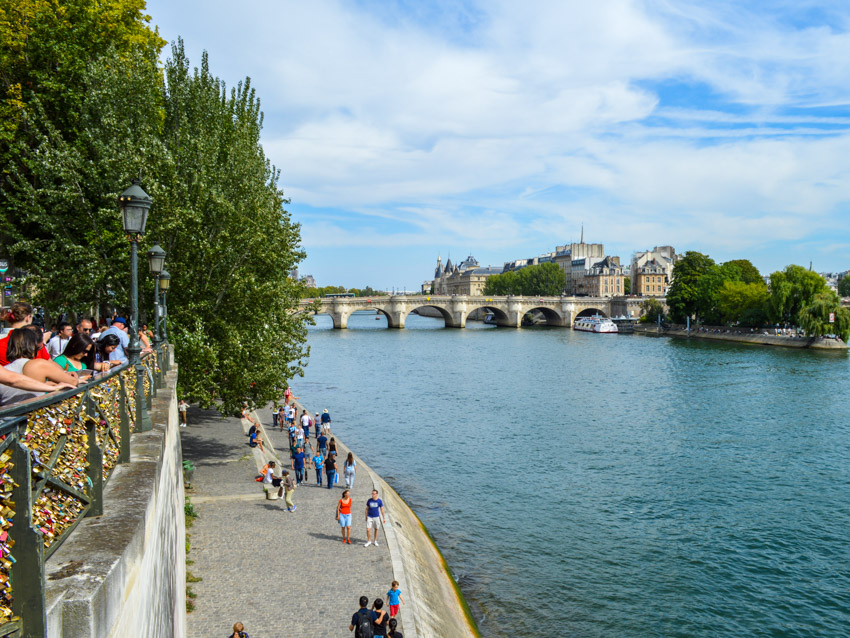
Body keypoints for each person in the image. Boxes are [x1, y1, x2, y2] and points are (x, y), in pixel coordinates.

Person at [5, 327, 80, 387]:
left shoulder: (4, 371)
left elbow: (26, 385)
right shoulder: (39, 364)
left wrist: (47, 384)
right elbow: (73, 381)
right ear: (33, 346)